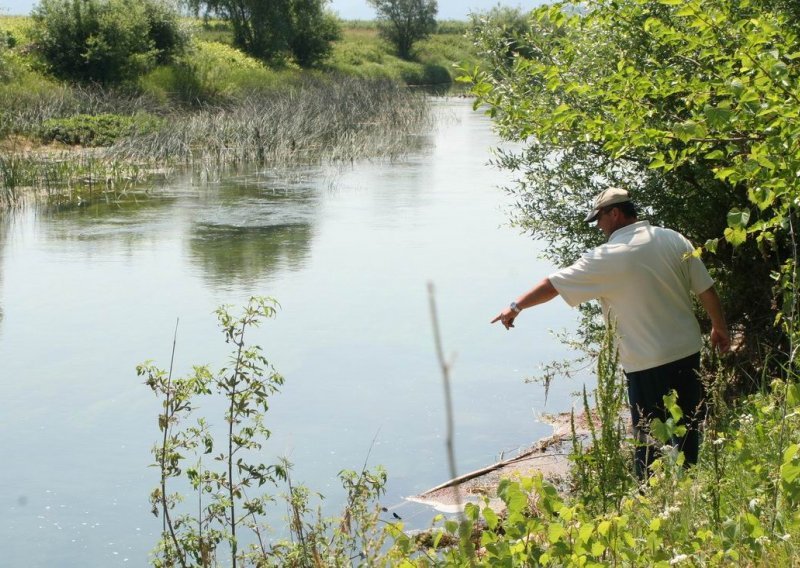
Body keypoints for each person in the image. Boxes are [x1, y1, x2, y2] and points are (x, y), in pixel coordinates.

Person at [491, 187, 730, 479]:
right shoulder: (672, 238)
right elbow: (706, 288)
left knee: (649, 442)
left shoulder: (607, 256)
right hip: (687, 350)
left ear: (614, 213)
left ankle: (650, 499)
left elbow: (553, 285)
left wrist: (515, 306)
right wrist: (719, 326)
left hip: (646, 363)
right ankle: (687, 487)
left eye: (600, 219)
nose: (600, 227)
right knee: (688, 429)